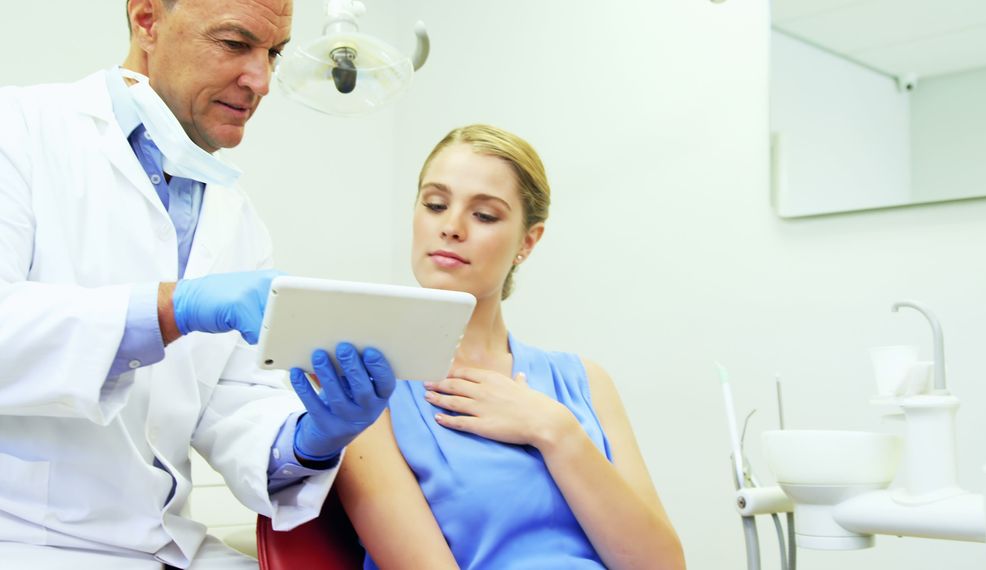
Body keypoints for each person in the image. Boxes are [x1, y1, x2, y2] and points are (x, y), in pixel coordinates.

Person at [0, 0, 394, 567]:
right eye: (235, 44)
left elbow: (235, 405)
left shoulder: (237, 217)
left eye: (273, 53)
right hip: (28, 541)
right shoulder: (21, 131)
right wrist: (172, 310)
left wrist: (315, 436)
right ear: (147, 19)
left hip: (168, 545)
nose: (260, 81)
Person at [335, 124, 686, 569]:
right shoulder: (364, 391)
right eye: (435, 204)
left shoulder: (584, 383)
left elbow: (662, 565)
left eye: (484, 215)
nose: (451, 227)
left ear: (528, 241)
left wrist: (555, 432)